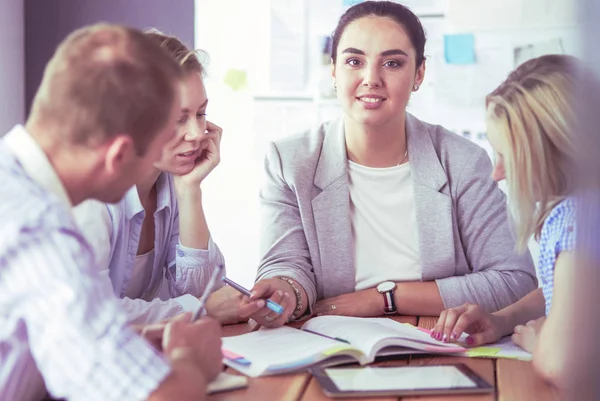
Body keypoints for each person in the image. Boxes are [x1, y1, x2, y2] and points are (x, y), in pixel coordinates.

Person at [243, 0, 536, 328]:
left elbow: (516, 281)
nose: (371, 79)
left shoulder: (462, 161)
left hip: (434, 339)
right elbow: (288, 268)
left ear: (419, 74)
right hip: (330, 342)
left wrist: (384, 298)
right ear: (334, 71)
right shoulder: (290, 162)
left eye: (392, 63)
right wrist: (286, 291)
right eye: (354, 61)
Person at [0, 24, 222, 401]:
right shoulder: (40, 232)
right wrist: (187, 359)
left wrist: (131, 339)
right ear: (119, 155)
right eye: (153, 150)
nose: (194, 136)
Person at [73, 30, 264, 325]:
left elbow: (202, 294)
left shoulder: (169, 184)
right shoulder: (89, 196)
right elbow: (89, 314)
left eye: (201, 113)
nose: (198, 134)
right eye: (178, 118)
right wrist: (198, 310)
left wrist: (190, 191)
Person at [431, 55, 579, 352]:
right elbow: (562, 293)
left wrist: (541, 345)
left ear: (552, 151)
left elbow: (565, 365)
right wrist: (502, 320)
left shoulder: (579, 225)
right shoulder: (571, 213)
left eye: (507, 157)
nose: (497, 174)